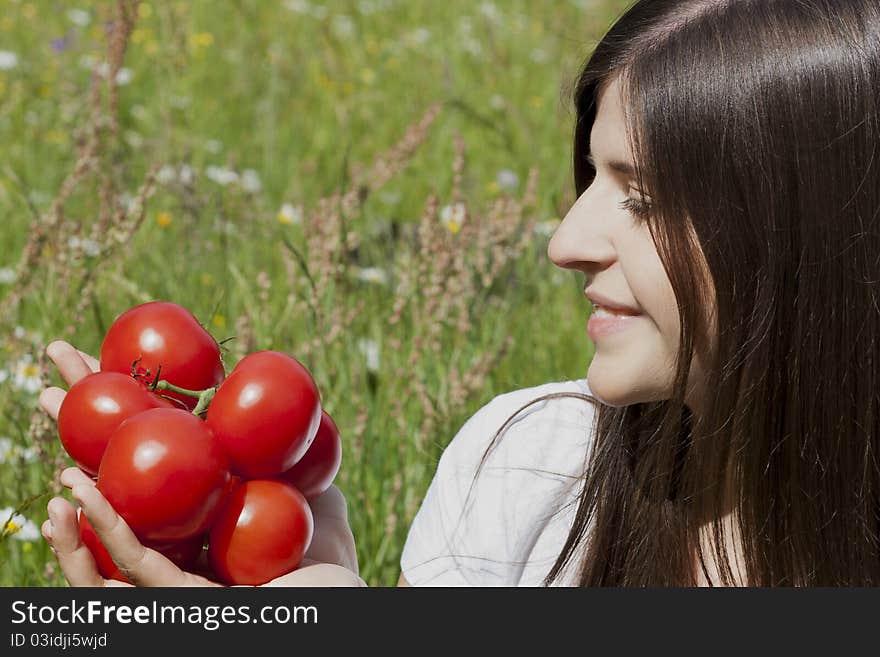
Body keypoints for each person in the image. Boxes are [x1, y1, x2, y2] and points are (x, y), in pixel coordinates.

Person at [39, 0, 880, 586]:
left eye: (645, 196)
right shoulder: (525, 468)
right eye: (591, 175)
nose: (564, 244)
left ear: (817, 235)